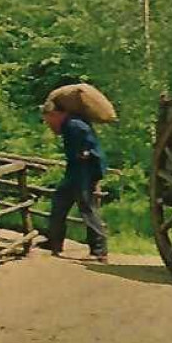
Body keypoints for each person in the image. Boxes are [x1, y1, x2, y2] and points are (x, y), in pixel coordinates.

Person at [39, 97, 109, 261]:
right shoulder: (68, 125)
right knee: (59, 202)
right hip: (75, 170)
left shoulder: (74, 124)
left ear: (55, 114)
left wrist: (85, 152)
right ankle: (54, 243)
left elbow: (89, 143)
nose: (48, 123)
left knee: (87, 207)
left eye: (48, 119)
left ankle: (99, 251)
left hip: (84, 170)